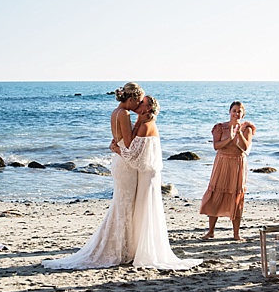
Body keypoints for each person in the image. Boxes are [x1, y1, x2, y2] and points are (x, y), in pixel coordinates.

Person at [42, 82, 144, 269]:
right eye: (137, 101)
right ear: (130, 99)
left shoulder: (115, 112)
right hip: (125, 162)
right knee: (126, 205)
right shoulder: (125, 114)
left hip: (118, 161)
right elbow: (128, 144)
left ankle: (124, 246)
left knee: (121, 204)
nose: (138, 105)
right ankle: (123, 249)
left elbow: (117, 140)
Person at [114, 96, 202, 270]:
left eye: (142, 103)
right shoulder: (141, 123)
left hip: (148, 175)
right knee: (140, 210)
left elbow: (133, 156)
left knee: (145, 209)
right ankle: (138, 248)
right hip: (144, 173)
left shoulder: (147, 126)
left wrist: (116, 149)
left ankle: (146, 251)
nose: (138, 105)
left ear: (147, 109)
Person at [199, 101, 255, 241]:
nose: (236, 113)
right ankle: (210, 231)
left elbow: (246, 148)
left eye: (239, 111)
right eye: (234, 110)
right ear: (229, 112)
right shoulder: (220, 127)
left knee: (237, 197)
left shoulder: (247, 129)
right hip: (222, 162)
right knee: (216, 193)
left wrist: (239, 135)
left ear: (243, 114)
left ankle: (236, 234)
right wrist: (229, 139)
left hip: (238, 163)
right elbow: (216, 146)